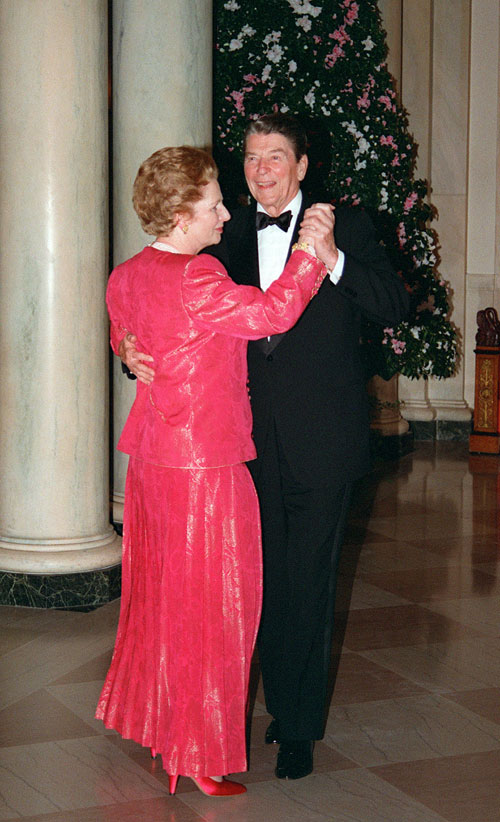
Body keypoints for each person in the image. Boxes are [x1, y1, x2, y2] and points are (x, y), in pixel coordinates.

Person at [121, 115, 410, 781]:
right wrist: (127, 349)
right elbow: (158, 308)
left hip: (321, 439)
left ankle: (298, 723)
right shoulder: (219, 237)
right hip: (237, 448)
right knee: (259, 584)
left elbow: (394, 305)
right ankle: (263, 701)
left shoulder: (348, 227)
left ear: (303, 165)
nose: (262, 169)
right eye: (252, 157)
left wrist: (331, 256)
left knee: (309, 582)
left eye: (276, 156)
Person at [96, 144, 329, 797]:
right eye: (213, 203)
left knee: (161, 602)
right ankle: (194, 754)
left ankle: (163, 732)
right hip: (205, 465)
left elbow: (123, 331)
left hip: (150, 461)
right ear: (180, 214)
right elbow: (273, 314)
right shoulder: (198, 276)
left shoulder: (126, 274)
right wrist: (311, 255)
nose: (227, 212)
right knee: (219, 609)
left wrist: (130, 349)